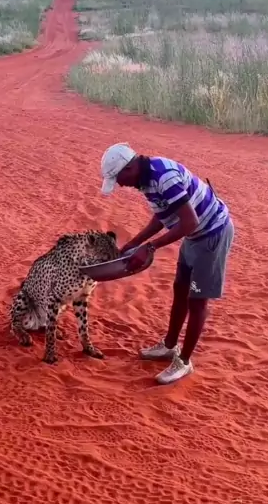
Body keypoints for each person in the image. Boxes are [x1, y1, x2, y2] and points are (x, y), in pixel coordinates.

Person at [100, 143, 234, 385]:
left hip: (211, 234)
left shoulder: (164, 177)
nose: (120, 184)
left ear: (129, 168)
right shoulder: (146, 180)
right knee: (180, 289)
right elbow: (162, 217)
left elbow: (189, 222)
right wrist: (133, 243)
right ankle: (170, 346)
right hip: (194, 236)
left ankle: (184, 361)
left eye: (119, 178)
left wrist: (150, 247)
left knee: (197, 300)